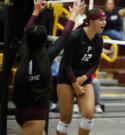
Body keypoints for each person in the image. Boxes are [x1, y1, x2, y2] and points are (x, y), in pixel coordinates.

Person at [12, 0, 85, 135]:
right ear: (44, 41)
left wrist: (35, 11)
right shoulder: (47, 55)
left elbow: (26, 31)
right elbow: (65, 35)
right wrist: (73, 15)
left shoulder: (22, 50)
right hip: (36, 112)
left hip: (20, 109)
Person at [56, 7, 106, 135]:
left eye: (104, 20)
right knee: (66, 119)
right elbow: (66, 64)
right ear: (90, 21)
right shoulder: (75, 36)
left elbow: (95, 65)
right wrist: (75, 84)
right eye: (101, 20)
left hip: (83, 78)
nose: (104, 22)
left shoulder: (99, 40)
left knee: (89, 115)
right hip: (67, 79)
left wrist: (84, 77)